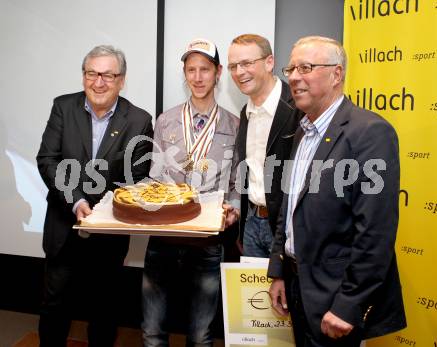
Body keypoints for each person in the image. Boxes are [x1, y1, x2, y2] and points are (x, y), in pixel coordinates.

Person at [268, 36, 406, 347]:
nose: (293, 76)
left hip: (334, 297)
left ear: (337, 74)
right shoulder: (300, 131)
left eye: (306, 67)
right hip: (296, 287)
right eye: (291, 68)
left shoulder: (370, 133)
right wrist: (278, 269)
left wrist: (349, 304)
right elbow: (290, 206)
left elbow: (376, 231)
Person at [36, 45, 154, 347]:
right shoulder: (63, 107)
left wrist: (99, 210)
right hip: (64, 227)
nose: (98, 82)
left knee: (104, 313)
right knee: (54, 308)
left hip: (108, 234)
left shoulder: (139, 120)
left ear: (122, 80)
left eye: (108, 75)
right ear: (83, 75)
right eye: (92, 73)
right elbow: (48, 160)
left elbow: (134, 179)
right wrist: (76, 200)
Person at [142, 38, 240, 347]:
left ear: (218, 72)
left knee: (201, 335)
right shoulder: (166, 120)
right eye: (191, 70)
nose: (198, 77)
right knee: (153, 331)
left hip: (208, 240)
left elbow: (239, 181)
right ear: (184, 74)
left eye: (205, 70)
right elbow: (154, 176)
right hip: (164, 235)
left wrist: (234, 208)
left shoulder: (234, 125)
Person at [227, 34, 302, 257]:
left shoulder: (298, 107)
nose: (239, 72)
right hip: (251, 225)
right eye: (233, 66)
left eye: (247, 63)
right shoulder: (245, 113)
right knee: (254, 294)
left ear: (269, 62)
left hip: (286, 229)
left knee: (286, 293)